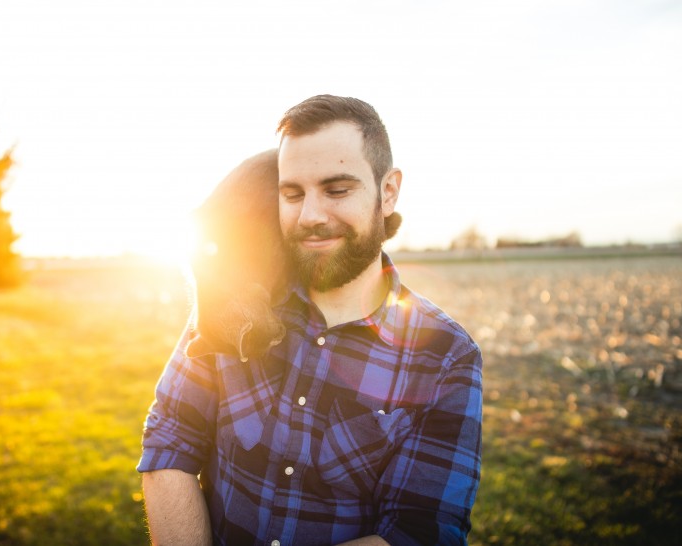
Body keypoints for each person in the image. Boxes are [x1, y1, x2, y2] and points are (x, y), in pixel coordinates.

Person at [138, 95, 483, 546]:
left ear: (389, 191)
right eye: (293, 193)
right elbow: (170, 440)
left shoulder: (445, 357)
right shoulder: (236, 310)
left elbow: (418, 533)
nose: (311, 216)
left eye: (337, 190)